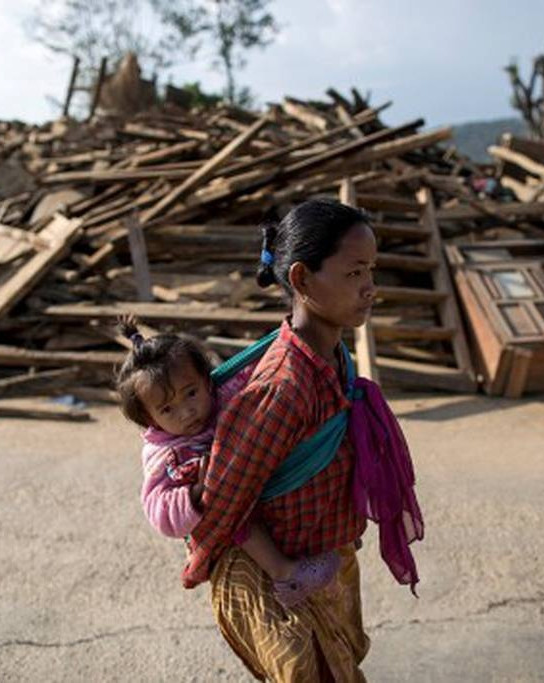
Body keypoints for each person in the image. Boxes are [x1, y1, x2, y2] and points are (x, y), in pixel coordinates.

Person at [182, 199, 424, 681]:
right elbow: (223, 500)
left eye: (371, 270)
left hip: (327, 565)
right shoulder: (284, 387)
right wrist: (199, 564)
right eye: (354, 272)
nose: (370, 287)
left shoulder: (335, 360)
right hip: (282, 585)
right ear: (302, 280)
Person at [114, 317, 341, 607]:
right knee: (237, 515)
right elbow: (158, 509)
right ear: (150, 418)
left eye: (191, 393)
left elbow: (259, 376)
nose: (186, 412)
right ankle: (285, 574)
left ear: (206, 381)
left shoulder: (225, 395)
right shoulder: (163, 452)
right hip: (227, 524)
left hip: (268, 493)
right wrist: (196, 493)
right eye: (168, 409)